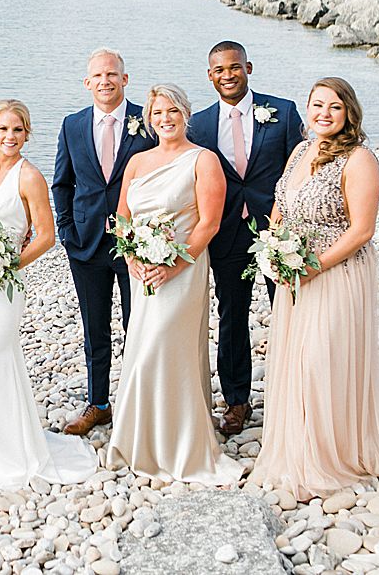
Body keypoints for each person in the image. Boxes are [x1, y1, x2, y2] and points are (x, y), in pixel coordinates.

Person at [249, 78, 379, 499]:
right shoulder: (302, 150)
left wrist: (313, 267)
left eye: (334, 107)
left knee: (324, 358)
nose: (324, 113)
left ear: (348, 113)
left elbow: (362, 230)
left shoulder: (359, 160)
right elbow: (280, 207)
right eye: (317, 105)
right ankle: (297, 445)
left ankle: (332, 452)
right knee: (295, 359)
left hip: (335, 272)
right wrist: (274, 251)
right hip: (294, 272)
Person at [0, 101, 97, 489]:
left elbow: (45, 235)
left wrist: (6, 266)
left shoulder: (30, 177)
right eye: (3, 129)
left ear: (27, 134)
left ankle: (6, 450)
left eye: (18, 130)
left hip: (5, 284)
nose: (9, 137)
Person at [105, 84, 242, 484]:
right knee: (141, 346)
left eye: (173, 112)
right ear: (149, 118)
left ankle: (179, 443)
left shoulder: (203, 160)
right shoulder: (137, 162)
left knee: (165, 347)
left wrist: (173, 265)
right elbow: (123, 219)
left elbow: (209, 223)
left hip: (183, 271)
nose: (165, 119)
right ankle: (139, 439)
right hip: (142, 274)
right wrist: (132, 258)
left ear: (186, 115)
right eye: (158, 113)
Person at [188, 41, 304, 435]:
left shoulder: (283, 112)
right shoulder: (199, 125)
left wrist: (286, 223)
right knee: (232, 317)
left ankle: (295, 394)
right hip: (226, 234)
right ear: (210, 75)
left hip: (278, 231)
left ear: (248, 68)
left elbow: (300, 168)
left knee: (289, 310)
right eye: (219, 69)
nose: (227, 75)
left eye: (234, 67)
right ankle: (237, 403)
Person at [52, 48, 156, 436]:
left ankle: (136, 400)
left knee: (138, 324)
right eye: (97, 76)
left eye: (112, 74)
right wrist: (66, 231)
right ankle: (98, 403)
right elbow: (62, 182)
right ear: (87, 83)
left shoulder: (146, 123)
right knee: (95, 328)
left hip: (136, 245)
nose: (105, 81)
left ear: (124, 80)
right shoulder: (72, 125)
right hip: (86, 243)